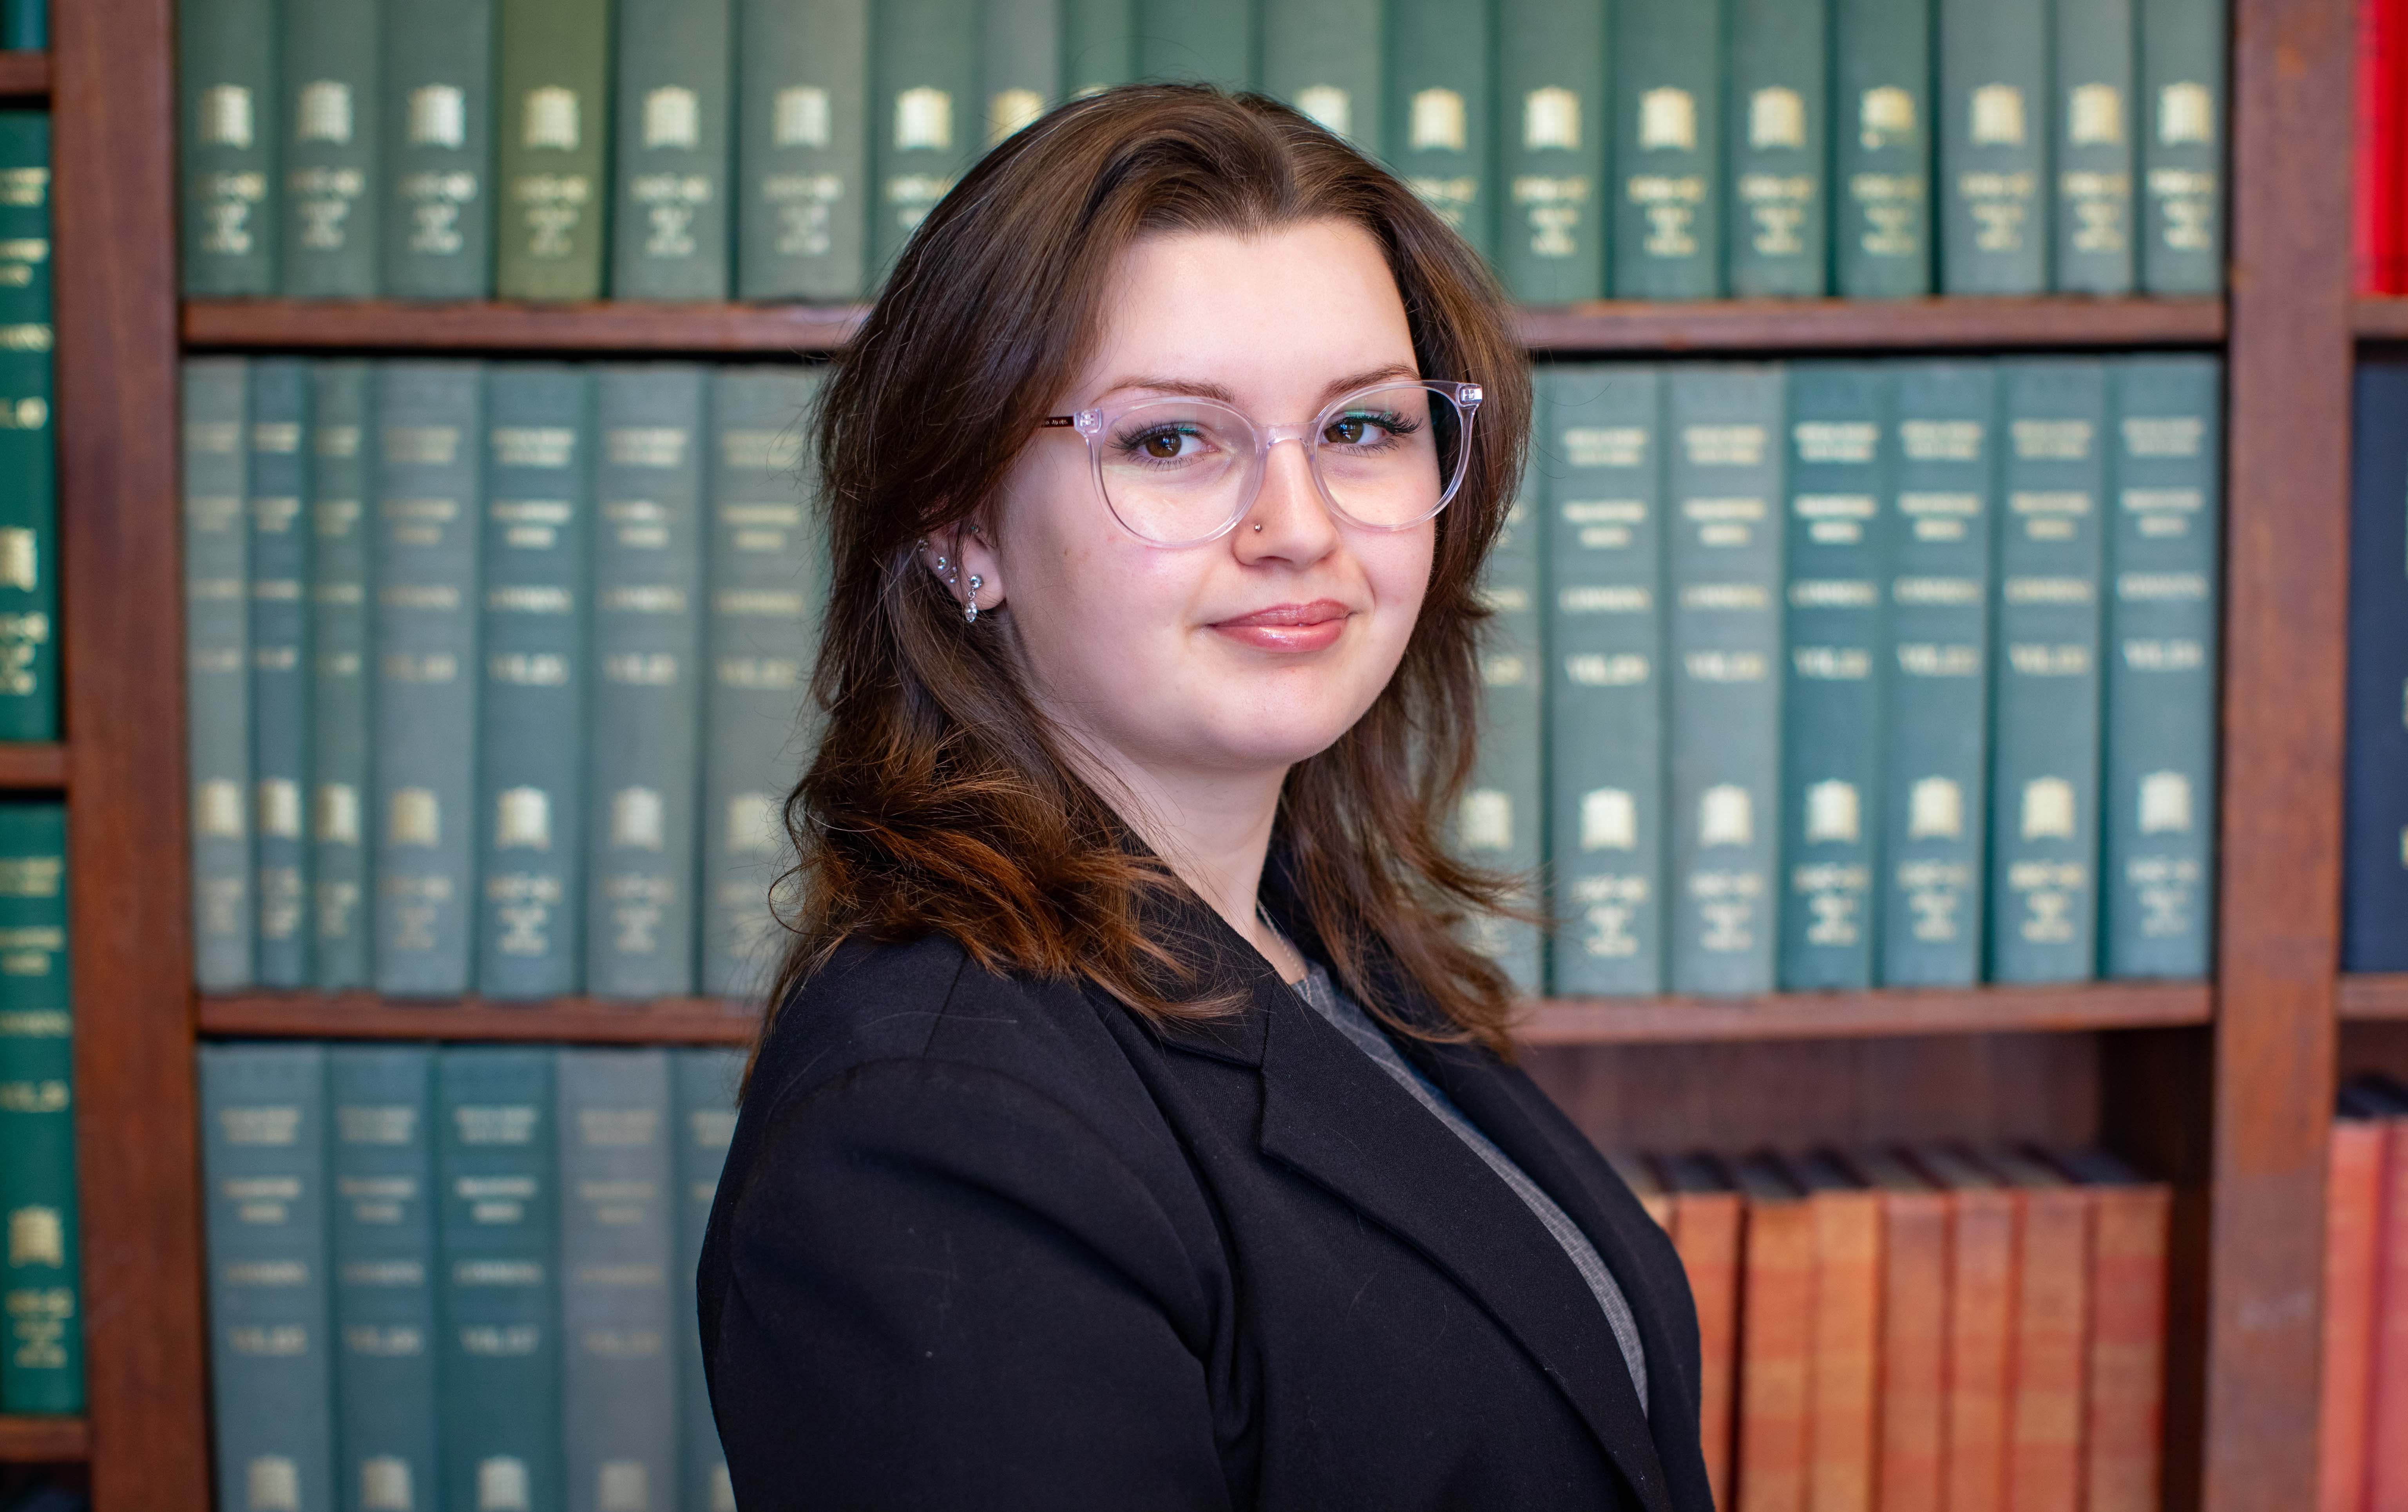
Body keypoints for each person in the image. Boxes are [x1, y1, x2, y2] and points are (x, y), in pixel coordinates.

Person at [697, 83, 1713, 1512]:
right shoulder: (931, 1127)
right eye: (1170, 440)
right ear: (956, 524)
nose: (1297, 529)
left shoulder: (1321, 951)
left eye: (1361, 427)